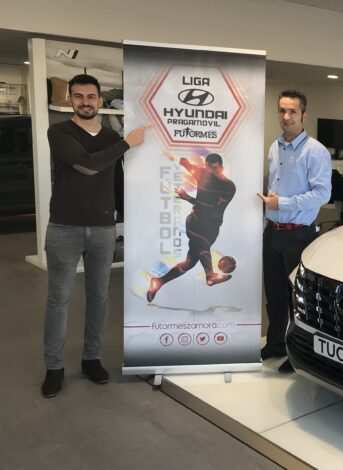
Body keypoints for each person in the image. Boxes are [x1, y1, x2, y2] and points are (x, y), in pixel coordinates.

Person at [42, 74, 148, 398]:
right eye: (79, 96)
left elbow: (116, 180)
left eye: (91, 96)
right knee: (59, 300)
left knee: (99, 298)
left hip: (103, 229)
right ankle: (54, 367)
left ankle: (91, 359)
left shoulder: (109, 137)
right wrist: (127, 143)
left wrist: (127, 220)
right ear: (70, 100)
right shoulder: (59, 132)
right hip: (64, 228)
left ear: (100, 100)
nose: (85, 102)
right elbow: (87, 165)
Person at [259, 90, 331, 373]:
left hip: (298, 235)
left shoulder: (315, 151)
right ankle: (275, 343)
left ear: (303, 115)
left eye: (292, 111)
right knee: (274, 294)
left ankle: (297, 351)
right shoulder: (274, 147)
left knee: (296, 299)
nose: (286, 116)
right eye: (282, 110)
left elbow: (322, 194)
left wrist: (283, 203)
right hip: (273, 232)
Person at [146, 153, 236, 302]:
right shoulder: (202, 173)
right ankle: (210, 275)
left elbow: (211, 209)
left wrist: (187, 197)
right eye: (209, 169)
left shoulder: (229, 187)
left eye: (215, 169)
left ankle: (159, 281)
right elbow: (184, 162)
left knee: (189, 263)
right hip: (195, 222)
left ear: (221, 168)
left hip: (212, 227)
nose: (212, 173)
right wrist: (172, 156)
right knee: (202, 244)